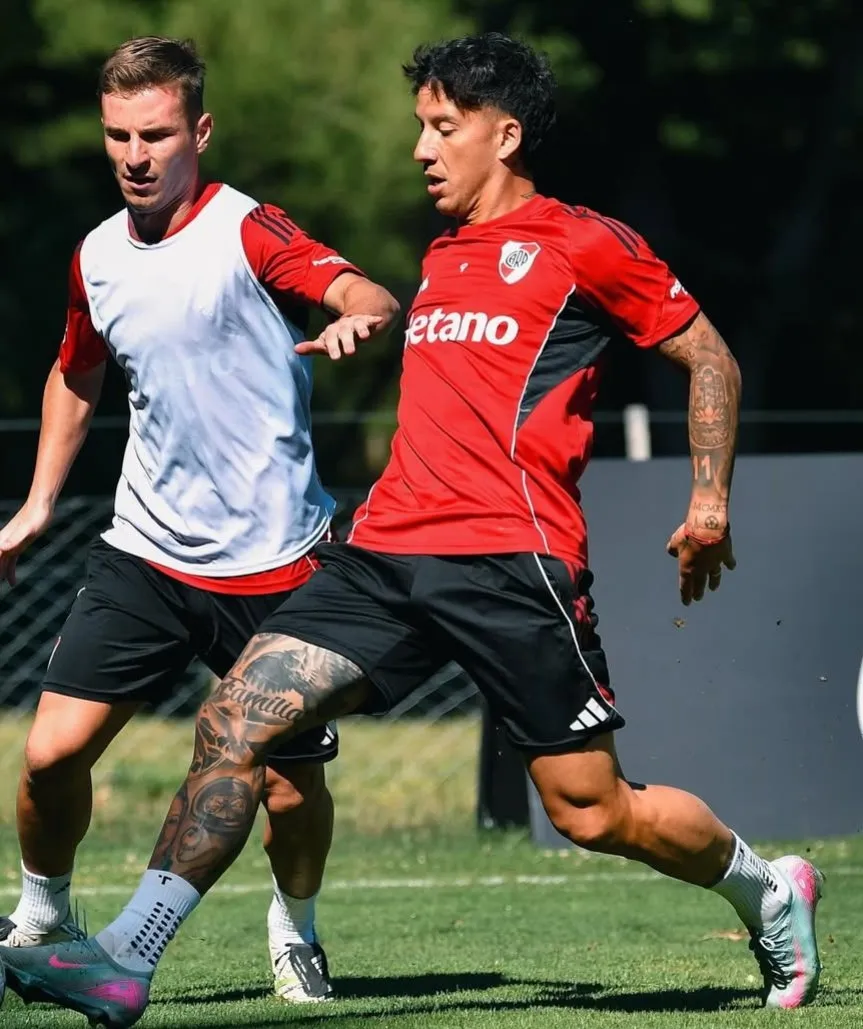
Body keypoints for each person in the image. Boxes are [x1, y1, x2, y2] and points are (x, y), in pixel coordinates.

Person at [0, 32, 824, 1028]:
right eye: (420, 127)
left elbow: (709, 358)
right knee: (233, 719)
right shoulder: (442, 252)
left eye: (443, 127)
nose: (421, 149)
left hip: (510, 564)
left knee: (591, 809)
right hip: (383, 553)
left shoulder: (583, 242)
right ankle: (124, 959)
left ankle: (766, 889)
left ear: (504, 136)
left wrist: (708, 500)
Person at [0, 35, 399, 1005]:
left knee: (289, 790)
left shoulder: (248, 231)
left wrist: (359, 313)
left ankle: (295, 931)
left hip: (278, 565)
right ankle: (44, 913)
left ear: (200, 131)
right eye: (118, 136)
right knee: (49, 755)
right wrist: (38, 503)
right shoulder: (97, 254)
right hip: (144, 555)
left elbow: (361, 289)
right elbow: (76, 370)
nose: (136, 156)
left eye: (157, 134)